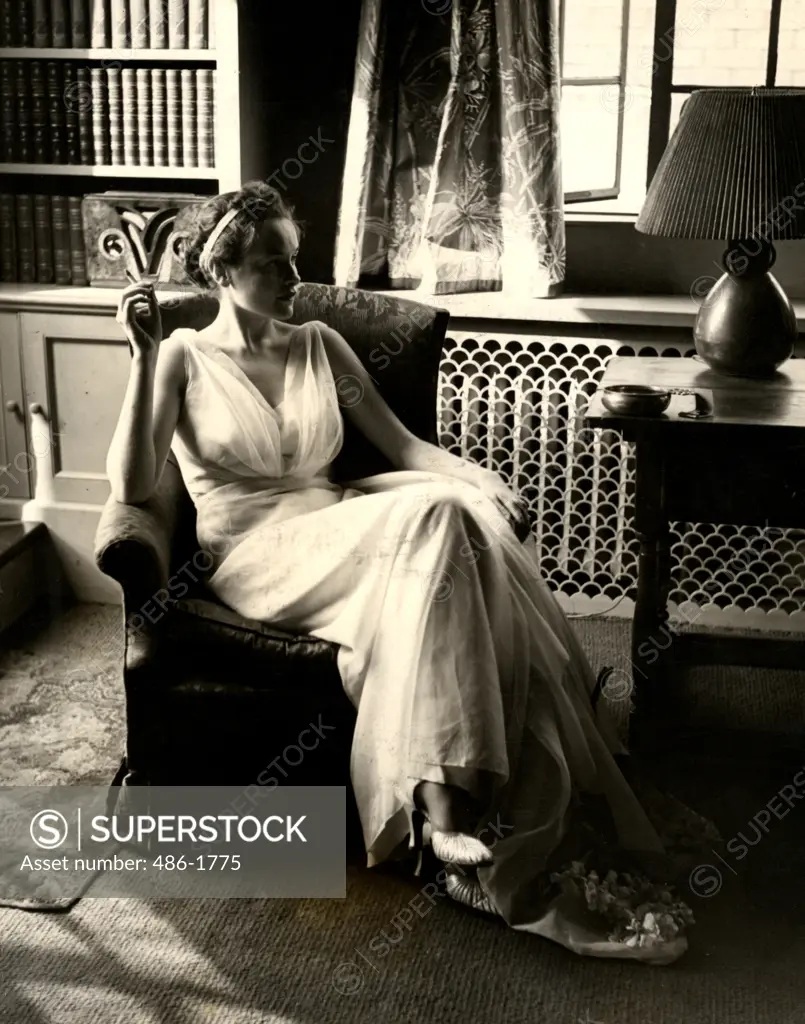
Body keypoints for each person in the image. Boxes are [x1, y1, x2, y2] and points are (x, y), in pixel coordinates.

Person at [107, 181, 698, 964]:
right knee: (433, 520)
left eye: (293, 258)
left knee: (461, 517)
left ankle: (452, 809)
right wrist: (145, 361)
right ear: (222, 272)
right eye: (270, 264)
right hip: (256, 556)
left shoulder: (319, 342)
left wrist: (478, 476)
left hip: (344, 523)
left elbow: (406, 450)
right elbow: (129, 484)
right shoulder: (182, 357)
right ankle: (442, 811)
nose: (292, 277)